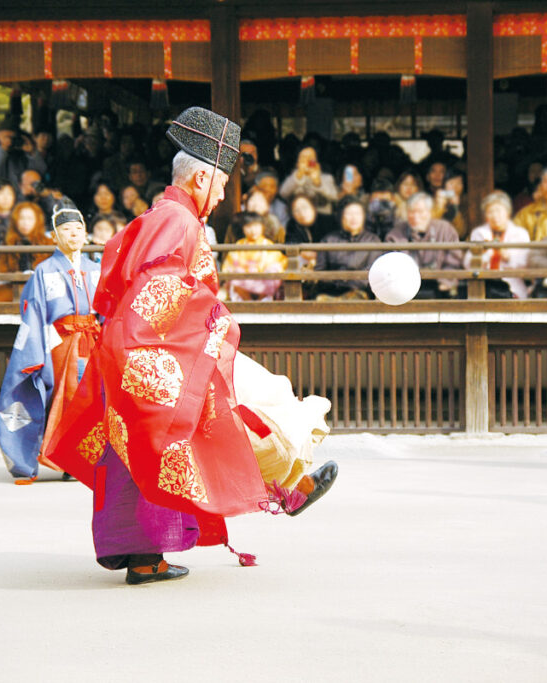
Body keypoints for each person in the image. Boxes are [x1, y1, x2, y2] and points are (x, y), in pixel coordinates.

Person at [44, 107, 338, 584]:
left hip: (132, 349)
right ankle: (289, 488)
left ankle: (146, 555)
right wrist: (213, 318)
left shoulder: (156, 215)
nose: (223, 194)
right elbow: (160, 289)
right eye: (221, 183)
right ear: (201, 177)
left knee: (141, 454)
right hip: (157, 348)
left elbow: (116, 280)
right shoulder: (179, 221)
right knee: (224, 422)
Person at [0, 199, 102, 483]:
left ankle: (79, 461)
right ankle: (55, 459)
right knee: (63, 400)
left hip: (92, 342)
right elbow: (33, 313)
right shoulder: (44, 271)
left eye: (79, 228)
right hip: (59, 343)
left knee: (91, 403)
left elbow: (107, 310)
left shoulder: (95, 269)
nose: (74, 234)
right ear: (54, 236)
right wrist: (42, 347)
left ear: (86, 233)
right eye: (66, 229)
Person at [385, 192, 461, 299]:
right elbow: (391, 262)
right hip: (405, 287)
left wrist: (446, 281)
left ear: (430, 212)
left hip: (439, 286)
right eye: (412, 212)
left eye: (420, 212)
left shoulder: (445, 229)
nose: (416, 216)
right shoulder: (396, 233)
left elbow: (454, 260)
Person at [464, 191, 530, 299]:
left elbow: (526, 263)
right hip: (484, 284)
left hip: (512, 285)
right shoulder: (479, 233)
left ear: (508, 213)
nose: (495, 216)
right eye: (490, 212)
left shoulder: (520, 233)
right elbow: (467, 264)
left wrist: (507, 256)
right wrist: (482, 254)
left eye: (498, 211)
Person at [314, 198, 382, 301]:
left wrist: (347, 282)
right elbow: (320, 271)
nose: (353, 218)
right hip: (331, 292)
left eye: (358, 214)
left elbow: (370, 273)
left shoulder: (373, 240)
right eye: (349, 214)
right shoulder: (328, 240)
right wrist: (337, 283)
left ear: (364, 217)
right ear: (341, 216)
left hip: (360, 292)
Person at [0, 201, 55, 302]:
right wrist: (15, 276)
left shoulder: (48, 243)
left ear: (37, 220)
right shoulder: (8, 244)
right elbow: (2, 273)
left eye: (30, 219)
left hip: (42, 290)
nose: (25, 222)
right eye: (21, 218)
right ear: (15, 221)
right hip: (14, 290)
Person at [221, 212, 286, 302]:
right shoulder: (239, 244)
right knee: (235, 273)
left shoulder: (268, 244)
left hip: (263, 280)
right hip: (244, 281)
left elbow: (278, 262)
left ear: (262, 227)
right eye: (248, 227)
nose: (253, 230)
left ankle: (262, 300)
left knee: (274, 270)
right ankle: (247, 301)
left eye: (256, 226)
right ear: (243, 228)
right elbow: (230, 265)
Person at [279, 145, 338, 215]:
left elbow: (334, 196)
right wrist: (299, 175)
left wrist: (318, 183)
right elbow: (283, 193)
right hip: (299, 217)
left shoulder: (327, 178)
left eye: (311, 158)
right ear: (297, 163)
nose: (307, 161)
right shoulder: (293, 178)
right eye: (304, 158)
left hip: (322, 218)